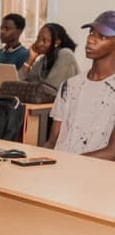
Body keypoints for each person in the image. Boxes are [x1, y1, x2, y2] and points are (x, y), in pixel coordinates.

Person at [45, 11, 115, 160]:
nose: (90, 40)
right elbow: (53, 141)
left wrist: (71, 163)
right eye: (91, 33)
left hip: (95, 174)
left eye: (102, 37)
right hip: (60, 169)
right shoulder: (70, 85)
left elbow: (112, 151)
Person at [20, 23, 79, 89]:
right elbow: (19, 83)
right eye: (38, 39)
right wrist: (30, 59)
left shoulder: (65, 54)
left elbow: (51, 88)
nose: (39, 44)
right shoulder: (44, 60)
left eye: (44, 40)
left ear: (57, 42)